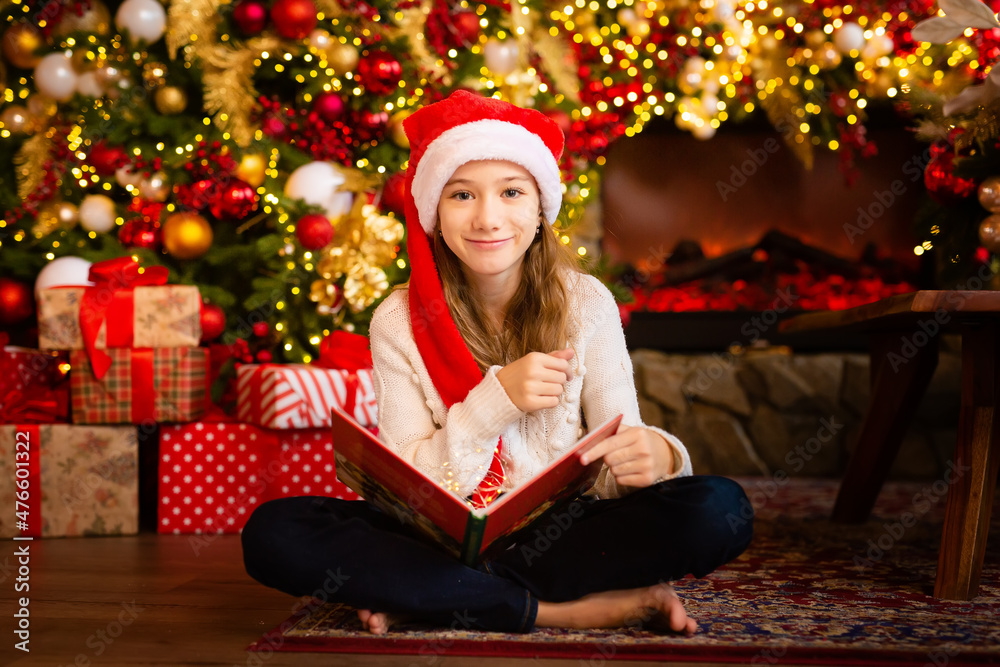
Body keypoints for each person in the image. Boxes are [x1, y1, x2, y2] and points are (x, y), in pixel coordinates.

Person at [242, 90, 753, 636]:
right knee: (275, 531)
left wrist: (653, 455)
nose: (488, 218)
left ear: (540, 210)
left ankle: (435, 595)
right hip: (436, 538)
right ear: (435, 211)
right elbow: (411, 490)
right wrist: (495, 400)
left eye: (511, 192)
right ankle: (557, 609)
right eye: (462, 194)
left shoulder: (586, 303)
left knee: (719, 508)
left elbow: (615, 456)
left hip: (564, 534)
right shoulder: (398, 318)